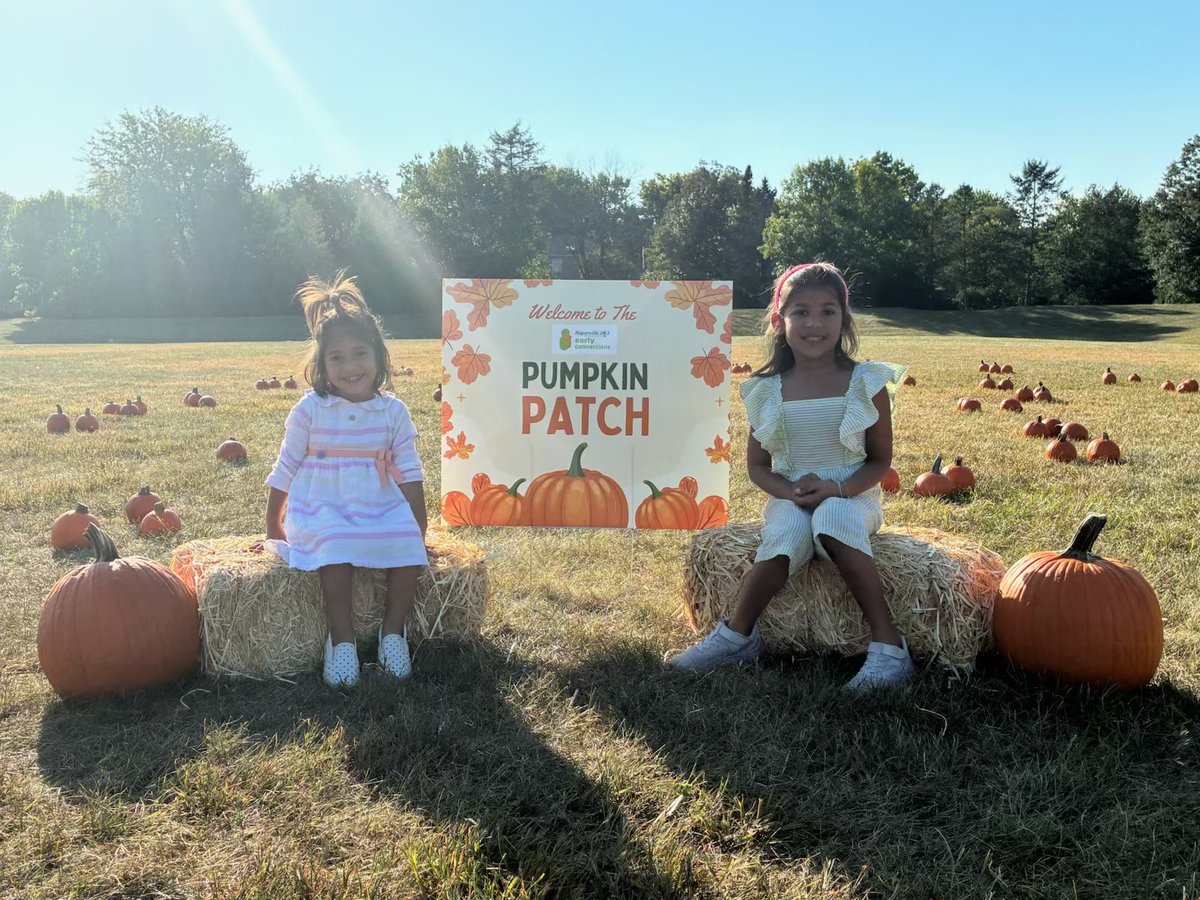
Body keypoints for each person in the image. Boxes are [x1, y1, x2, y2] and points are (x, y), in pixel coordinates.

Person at [668, 262, 914, 693]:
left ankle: (890, 647)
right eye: (800, 312)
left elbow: (880, 462)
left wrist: (838, 488)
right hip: (792, 494)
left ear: (844, 319)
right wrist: (790, 492)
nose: (814, 323)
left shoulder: (865, 382)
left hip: (852, 495)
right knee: (785, 532)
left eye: (827, 311)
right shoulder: (767, 389)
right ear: (779, 320)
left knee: (833, 517)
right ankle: (737, 636)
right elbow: (758, 467)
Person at [263, 271, 428, 688]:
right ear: (321, 365)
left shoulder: (393, 413)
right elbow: (285, 466)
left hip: (377, 500)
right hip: (323, 503)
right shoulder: (311, 410)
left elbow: (409, 471)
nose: (351, 366)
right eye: (337, 358)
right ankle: (343, 641)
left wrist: (418, 523)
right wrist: (273, 524)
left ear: (379, 357)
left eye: (360, 354)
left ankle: (393, 633)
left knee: (407, 549)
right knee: (333, 549)